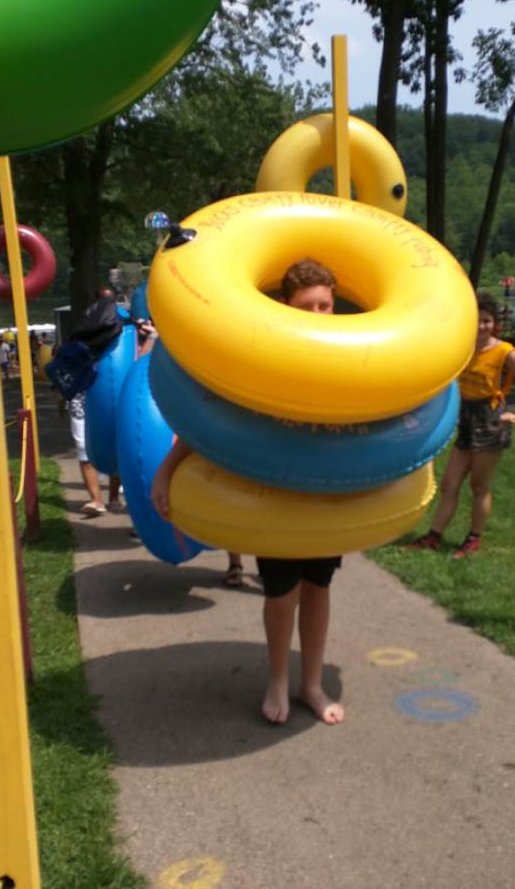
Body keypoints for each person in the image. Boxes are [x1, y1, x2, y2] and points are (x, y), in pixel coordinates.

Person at [151, 258, 345, 726]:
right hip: (273, 494)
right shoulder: (262, 355)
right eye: (308, 305)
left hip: (326, 493)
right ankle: (278, 678)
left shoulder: (347, 355)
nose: (319, 314)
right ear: (284, 305)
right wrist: (166, 470)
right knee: (281, 593)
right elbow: (214, 424)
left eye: (326, 305)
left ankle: (311, 685)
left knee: (318, 588)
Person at [407, 294, 515, 559]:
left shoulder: (505, 351)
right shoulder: (463, 348)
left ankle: (473, 538)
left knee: (479, 485)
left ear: (494, 323)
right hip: (465, 418)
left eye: (487, 321)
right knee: (449, 484)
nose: (481, 326)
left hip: (490, 420)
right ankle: (434, 536)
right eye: (477, 321)